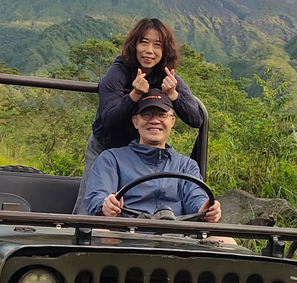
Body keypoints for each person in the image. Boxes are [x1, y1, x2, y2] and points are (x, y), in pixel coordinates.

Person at [72, 18, 203, 214]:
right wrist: (134, 95)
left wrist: (174, 95)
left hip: (140, 152)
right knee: (92, 206)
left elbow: (196, 119)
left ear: (165, 50)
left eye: (157, 45)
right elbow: (108, 118)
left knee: (140, 203)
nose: (149, 50)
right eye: (144, 42)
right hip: (106, 145)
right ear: (134, 45)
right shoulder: (119, 72)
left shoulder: (167, 75)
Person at [84, 89, 221, 223]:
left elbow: (197, 198)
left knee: (225, 242)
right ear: (135, 121)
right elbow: (98, 197)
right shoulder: (111, 159)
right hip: (124, 235)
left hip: (177, 237)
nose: (154, 120)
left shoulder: (187, 166)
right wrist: (106, 205)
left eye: (162, 115)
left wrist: (205, 209)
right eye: (147, 114)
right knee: (101, 233)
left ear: (172, 121)